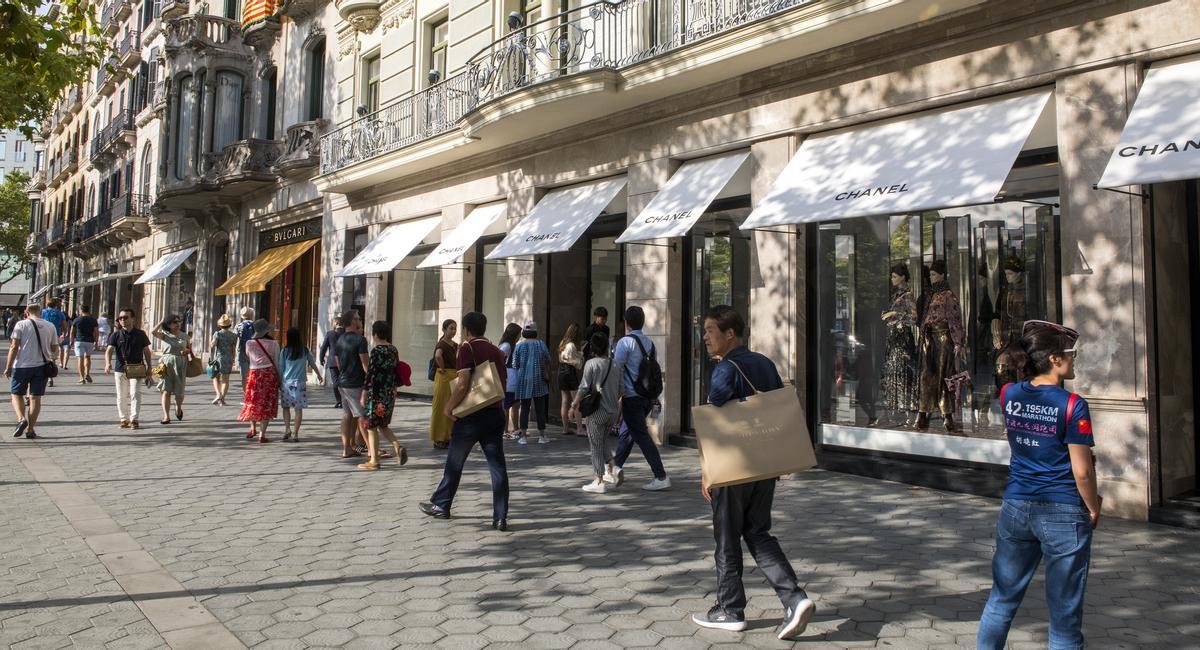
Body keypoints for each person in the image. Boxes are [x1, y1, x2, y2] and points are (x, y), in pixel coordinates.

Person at [691, 305, 814, 639]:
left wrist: (707, 471)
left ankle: (730, 609)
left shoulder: (725, 369)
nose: (705, 337)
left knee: (727, 537)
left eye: (711, 330)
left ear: (731, 333)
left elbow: (715, 415)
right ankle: (794, 598)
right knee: (758, 532)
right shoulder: (764, 363)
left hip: (734, 468)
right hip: (765, 465)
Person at [977, 320, 1099, 650]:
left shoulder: (1009, 394)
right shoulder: (1073, 405)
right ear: (1055, 359)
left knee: (1001, 600)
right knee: (1064, 615)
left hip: (1016, 505)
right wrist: (1093, 505)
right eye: (1072, 354)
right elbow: (1083, 472)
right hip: (1063, 511)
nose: (1075, 360)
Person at [419, 311, 510, 531]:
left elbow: (463, 384)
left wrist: (449, 407)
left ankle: (441, 505)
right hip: (495, 413)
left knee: (455, 462)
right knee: (497, 466)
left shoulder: (467, 348)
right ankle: (500, 517)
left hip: (471, 416)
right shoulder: (496, 351)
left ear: (466, 330)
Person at [612, 306, 671, 491]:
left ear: (627, 323)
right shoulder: (649, 344)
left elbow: (617, 368)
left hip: (632, 397)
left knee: (641, 436)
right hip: (647, 397)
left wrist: (614, 394)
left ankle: (660, 475)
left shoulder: (625, 342)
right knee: (627, 434)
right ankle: (614, 469)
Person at [569, 332, 621, 494]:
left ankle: (599, 480)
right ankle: (613, 468)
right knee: (602, 441)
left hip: (597, 412)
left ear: (592, 348)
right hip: (612, 411)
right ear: (607, 346)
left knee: (595, 446)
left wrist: (574, 405)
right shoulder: (616, 364)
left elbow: (584, 387)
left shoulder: (591, 364)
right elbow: (621, 391)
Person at [358, 320, 408, 470]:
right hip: (389, 392)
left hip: (376, 393)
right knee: (383, 424)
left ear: (375, 334)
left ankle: (374, 460)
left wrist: (364, 393)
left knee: (371, 426)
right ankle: (397, 447)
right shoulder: (393, 350)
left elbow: (371, 373)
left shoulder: (376, 351)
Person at [4, 304, 59, 439]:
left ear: (27, 312)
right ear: (40, 312)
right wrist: (52, 358)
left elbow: (14, 346)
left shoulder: (21, 325)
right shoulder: (50, 326)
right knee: (35, 398)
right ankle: (30, 429)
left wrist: (8, 366)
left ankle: (21, 419)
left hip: (22, 365)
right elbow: (54, 347)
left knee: (16, 394)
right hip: (42, 366)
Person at [104, 309, 152, 429]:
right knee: (121, 395)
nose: (123, 320)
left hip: (137, 368)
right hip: (120, 369)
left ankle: (134, 419)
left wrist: (150, 366)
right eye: (120, 318)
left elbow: (146, 351)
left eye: (125, 317)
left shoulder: (140, 334)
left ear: (132, 319)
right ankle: (123, 419)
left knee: (135, 393)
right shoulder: (115, 335)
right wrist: (107, 363)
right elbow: (109, 350)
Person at [334, 310, 370, 458]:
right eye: (358, 318)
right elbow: (365, 363)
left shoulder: (340, 339)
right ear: (353, 321)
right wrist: (371, 379)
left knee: (348, 414)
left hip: (342, 381)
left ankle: (347, 448)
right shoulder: (360, 340)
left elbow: (337, 362)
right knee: (362, 415)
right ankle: (371, 449)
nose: (360, 320)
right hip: (356, 383)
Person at [238, 319, 280, 443]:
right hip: (268, 374)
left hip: (253, 374)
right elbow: (277, 361)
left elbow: (248, 355)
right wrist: (279, 377)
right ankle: (262, 434)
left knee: (253, 400)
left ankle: (252, 428)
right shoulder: (274, 344)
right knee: (266, 403)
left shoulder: (249, 343)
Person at [279, 326, 322, 442]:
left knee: (286, 407)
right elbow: (312, 363)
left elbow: (281, 368)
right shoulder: (305, 350)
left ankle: (287, 429)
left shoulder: (284, 351)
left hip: (286, 383)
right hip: (300, 384)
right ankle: (295, 433)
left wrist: (278, 381)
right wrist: (318, 375)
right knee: (298, 409)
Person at [512, 320, 551, 445]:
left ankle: (523, 436)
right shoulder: (541, 344)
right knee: (540, 408)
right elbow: (548, 358)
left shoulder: (519, 345)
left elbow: (514, 364)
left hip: (523, 381)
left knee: (524, 408)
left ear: (524, 332)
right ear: (535, 332)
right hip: (539, 380)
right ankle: (542, 436)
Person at [152, 315, 193, 425]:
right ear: (168, 325)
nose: (177, 324)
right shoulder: (165, 335)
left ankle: (178, 407)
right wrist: (161, 321)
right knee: (166, 390)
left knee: (179, 393)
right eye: (174, 322)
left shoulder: (185, 336)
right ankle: (166, 416)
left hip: (180, 364)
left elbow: (190, 349)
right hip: (166, 364)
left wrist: (186, 351)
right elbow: (153, 332)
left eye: (178, 322)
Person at [429, 319, 459, 450]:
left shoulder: (455, 344)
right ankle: (439, 438)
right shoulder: (441, 344)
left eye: (455, 328)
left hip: (453, 375)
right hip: (444, 375)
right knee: (441, 406)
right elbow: (438, 356)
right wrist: (441, 367)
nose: (453, 331)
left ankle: (448, 436)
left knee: (451, 407)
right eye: (451, 328)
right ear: (444, 329)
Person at [557, 323, 583, 435]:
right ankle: (580, 429)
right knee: (576, 401)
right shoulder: (572, 345)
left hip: (561, 371)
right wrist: (581, 353)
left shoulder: (562, 343)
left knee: (564, 400)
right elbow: (576, 362)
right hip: (569, 372)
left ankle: (565, 428)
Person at [497, 322, 522, 438]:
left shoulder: (512, 345)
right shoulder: (506, 346)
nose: (519, 336)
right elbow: (499, 359)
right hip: (509, 379)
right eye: (518, 334)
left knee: (515, 405)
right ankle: (505, 430)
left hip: (514, 379)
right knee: (507, 407)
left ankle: (515, 428)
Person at [209, 314, 238, 405]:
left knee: (215, 377)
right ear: (229, 325)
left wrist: (211, 342)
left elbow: (212, 345)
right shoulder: (233, 335)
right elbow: (233, 348)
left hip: (218, 358)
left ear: (220, 325)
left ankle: (218, 394)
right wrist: (233, 359)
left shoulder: (217, 334)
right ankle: (222, 399)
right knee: (225, 380)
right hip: (228, 358)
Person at [319, 315, 345, 408]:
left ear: (337, 323)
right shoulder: (346, 333)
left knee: (335, 381)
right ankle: (344, 400)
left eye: (333, 322)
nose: (332, 324)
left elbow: (323, 348)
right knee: (344, 380)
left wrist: (321, 359)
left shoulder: (330, 334)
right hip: (345, 362)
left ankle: (339, 400)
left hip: (333, 362)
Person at [69, 305, 99, 384]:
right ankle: (87, 374)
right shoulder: (93, 320)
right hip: (89, 341)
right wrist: (96, 343)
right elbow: (96, 332)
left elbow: (72, 331)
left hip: (79, 341)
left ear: (81, 310)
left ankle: (81, 378)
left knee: (80, 359)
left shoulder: (77, 319)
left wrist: (71, 340)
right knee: (88, 358)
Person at [42, 298, 68, 384]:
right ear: (56, 305)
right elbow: (64, 326)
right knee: (52, 356)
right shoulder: (60, 314)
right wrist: (64, 334)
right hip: (55, 335)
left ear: (47, 304)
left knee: (43, 354)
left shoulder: (43, 312)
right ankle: (50, 377)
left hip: (44, 335)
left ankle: (41, 374)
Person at [234, 307, 256, 394]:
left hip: (242, 351)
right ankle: (253, 393)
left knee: (244, 376)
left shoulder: (238, 326)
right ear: (252, 315)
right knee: (253, 374)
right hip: (254, 352)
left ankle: (246, 395)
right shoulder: (255, 325)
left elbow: (235, 339)